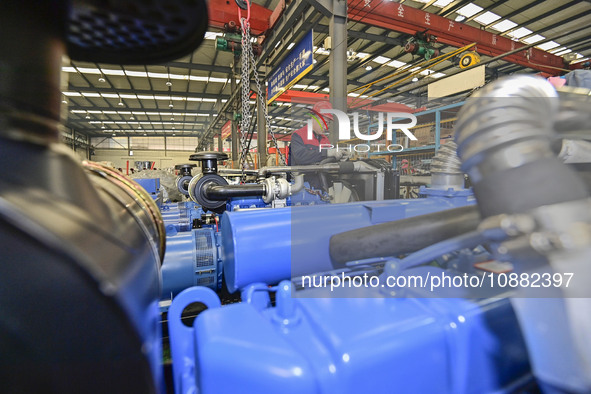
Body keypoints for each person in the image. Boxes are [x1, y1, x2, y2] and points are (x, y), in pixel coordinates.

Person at [289, 101, 350, 189]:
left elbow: (330, 161)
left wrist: (341, 159)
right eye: (324, 122)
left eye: (328, 123)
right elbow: (300, 157)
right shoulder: (298, 135)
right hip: (304, 187)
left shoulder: (325, 139)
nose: (326, 127)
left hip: (323, 186)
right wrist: (327, 153)